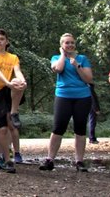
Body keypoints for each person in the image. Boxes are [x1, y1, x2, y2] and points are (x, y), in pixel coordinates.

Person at [40, 33, 93, 172]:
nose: (70, 45)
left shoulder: (82, 59)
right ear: (62, 45)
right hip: (63, 96)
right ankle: (50, 159)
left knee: (80, 129)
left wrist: (77, 65)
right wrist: (63, 55)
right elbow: (58, 69)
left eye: (72, 42)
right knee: (58, 128)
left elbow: (88, 79)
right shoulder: (56, 58)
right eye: (66, 43)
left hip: (82, 97)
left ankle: (79, 161)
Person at [0, 28, 26, 173]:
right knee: (2, 128)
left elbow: (18, 71)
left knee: (18, 81)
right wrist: (7, 83)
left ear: (6, 41)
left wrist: (22, 81)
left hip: (10, 92)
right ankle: (6, 159)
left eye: (1, 39)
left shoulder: (13, 57)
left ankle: (14, 112)